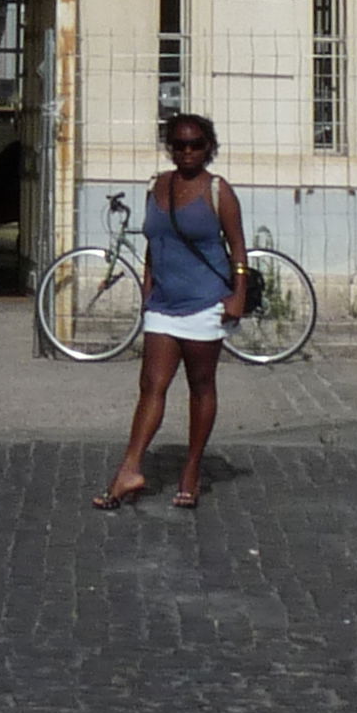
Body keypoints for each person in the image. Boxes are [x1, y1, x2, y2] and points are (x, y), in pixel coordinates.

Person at [95, 112, 247, 513]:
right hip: (163, 305)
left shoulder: (218, 191)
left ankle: (192, 469)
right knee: (151, 386)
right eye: (179, 144)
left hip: (205, 304)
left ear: (209, 147)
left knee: (200, 386)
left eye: (195, 144)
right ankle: (130, 468)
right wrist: (147, 292)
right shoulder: (156, 187)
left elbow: (238, 249)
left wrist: (238, 296)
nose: (187, 151)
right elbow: (154, 243)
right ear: (170, 147)